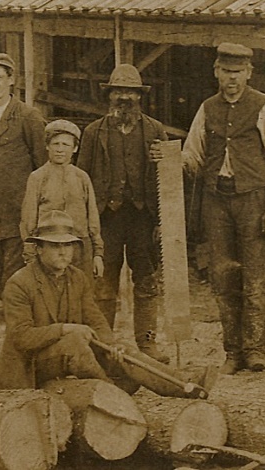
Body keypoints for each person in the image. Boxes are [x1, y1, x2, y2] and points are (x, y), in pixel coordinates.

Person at [0, 210, 202, 395]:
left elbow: (95, 318)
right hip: (30, 366)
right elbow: (21, 338)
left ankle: (183, 384)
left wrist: (111, 346)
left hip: (67, 353)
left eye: (68, 245)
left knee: (122, 350)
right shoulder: (19, 283)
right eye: (54, 245)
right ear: (39, 248)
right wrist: (65, 329)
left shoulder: (77, 278)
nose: (63, 252)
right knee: (75, 343)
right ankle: (112, 395)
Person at [182, 43, 265, 374]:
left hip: (254, 201)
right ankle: (232, 352)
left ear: (248, 73)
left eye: (238, 72)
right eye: (226, 72)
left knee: (254, 279)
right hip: (217, 202)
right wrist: (170, 157)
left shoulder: (264, 107)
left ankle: (255, 350)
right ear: (216, 72)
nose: (232, 78)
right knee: (223, 278)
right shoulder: (207, 108)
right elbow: (194, 156)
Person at [76, 64, 170, 363]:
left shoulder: (155, 131)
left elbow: (167, 179)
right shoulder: (94, 132)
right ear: (109, 95)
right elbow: (82, 179)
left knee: (146, 282)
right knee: (104, 283)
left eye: (130, 93)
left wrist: (161, 221)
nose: (124, 98)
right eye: (119, 92)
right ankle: (103, 343)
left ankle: (147, 343)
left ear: (139, 97)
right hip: (106, 219)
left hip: (143, 217)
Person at [0, 52, 47, 300]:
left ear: (11, 80)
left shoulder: (28, 116)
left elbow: (43, 166)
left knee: (16, 280)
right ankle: (15, 332)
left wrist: (39, 211)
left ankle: (20, 333)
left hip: (19, 213)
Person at [21, 119, 104, 280]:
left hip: (80, 247)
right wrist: (30, 254)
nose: (60, 149)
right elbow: (28, 219)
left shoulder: (82, 177)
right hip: (49, 247)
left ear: (75, 148)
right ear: (47, 146)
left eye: (65, 145)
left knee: (81, 295)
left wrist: (98, 254)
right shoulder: (37, 177)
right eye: (55, 144)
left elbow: (93, 218)